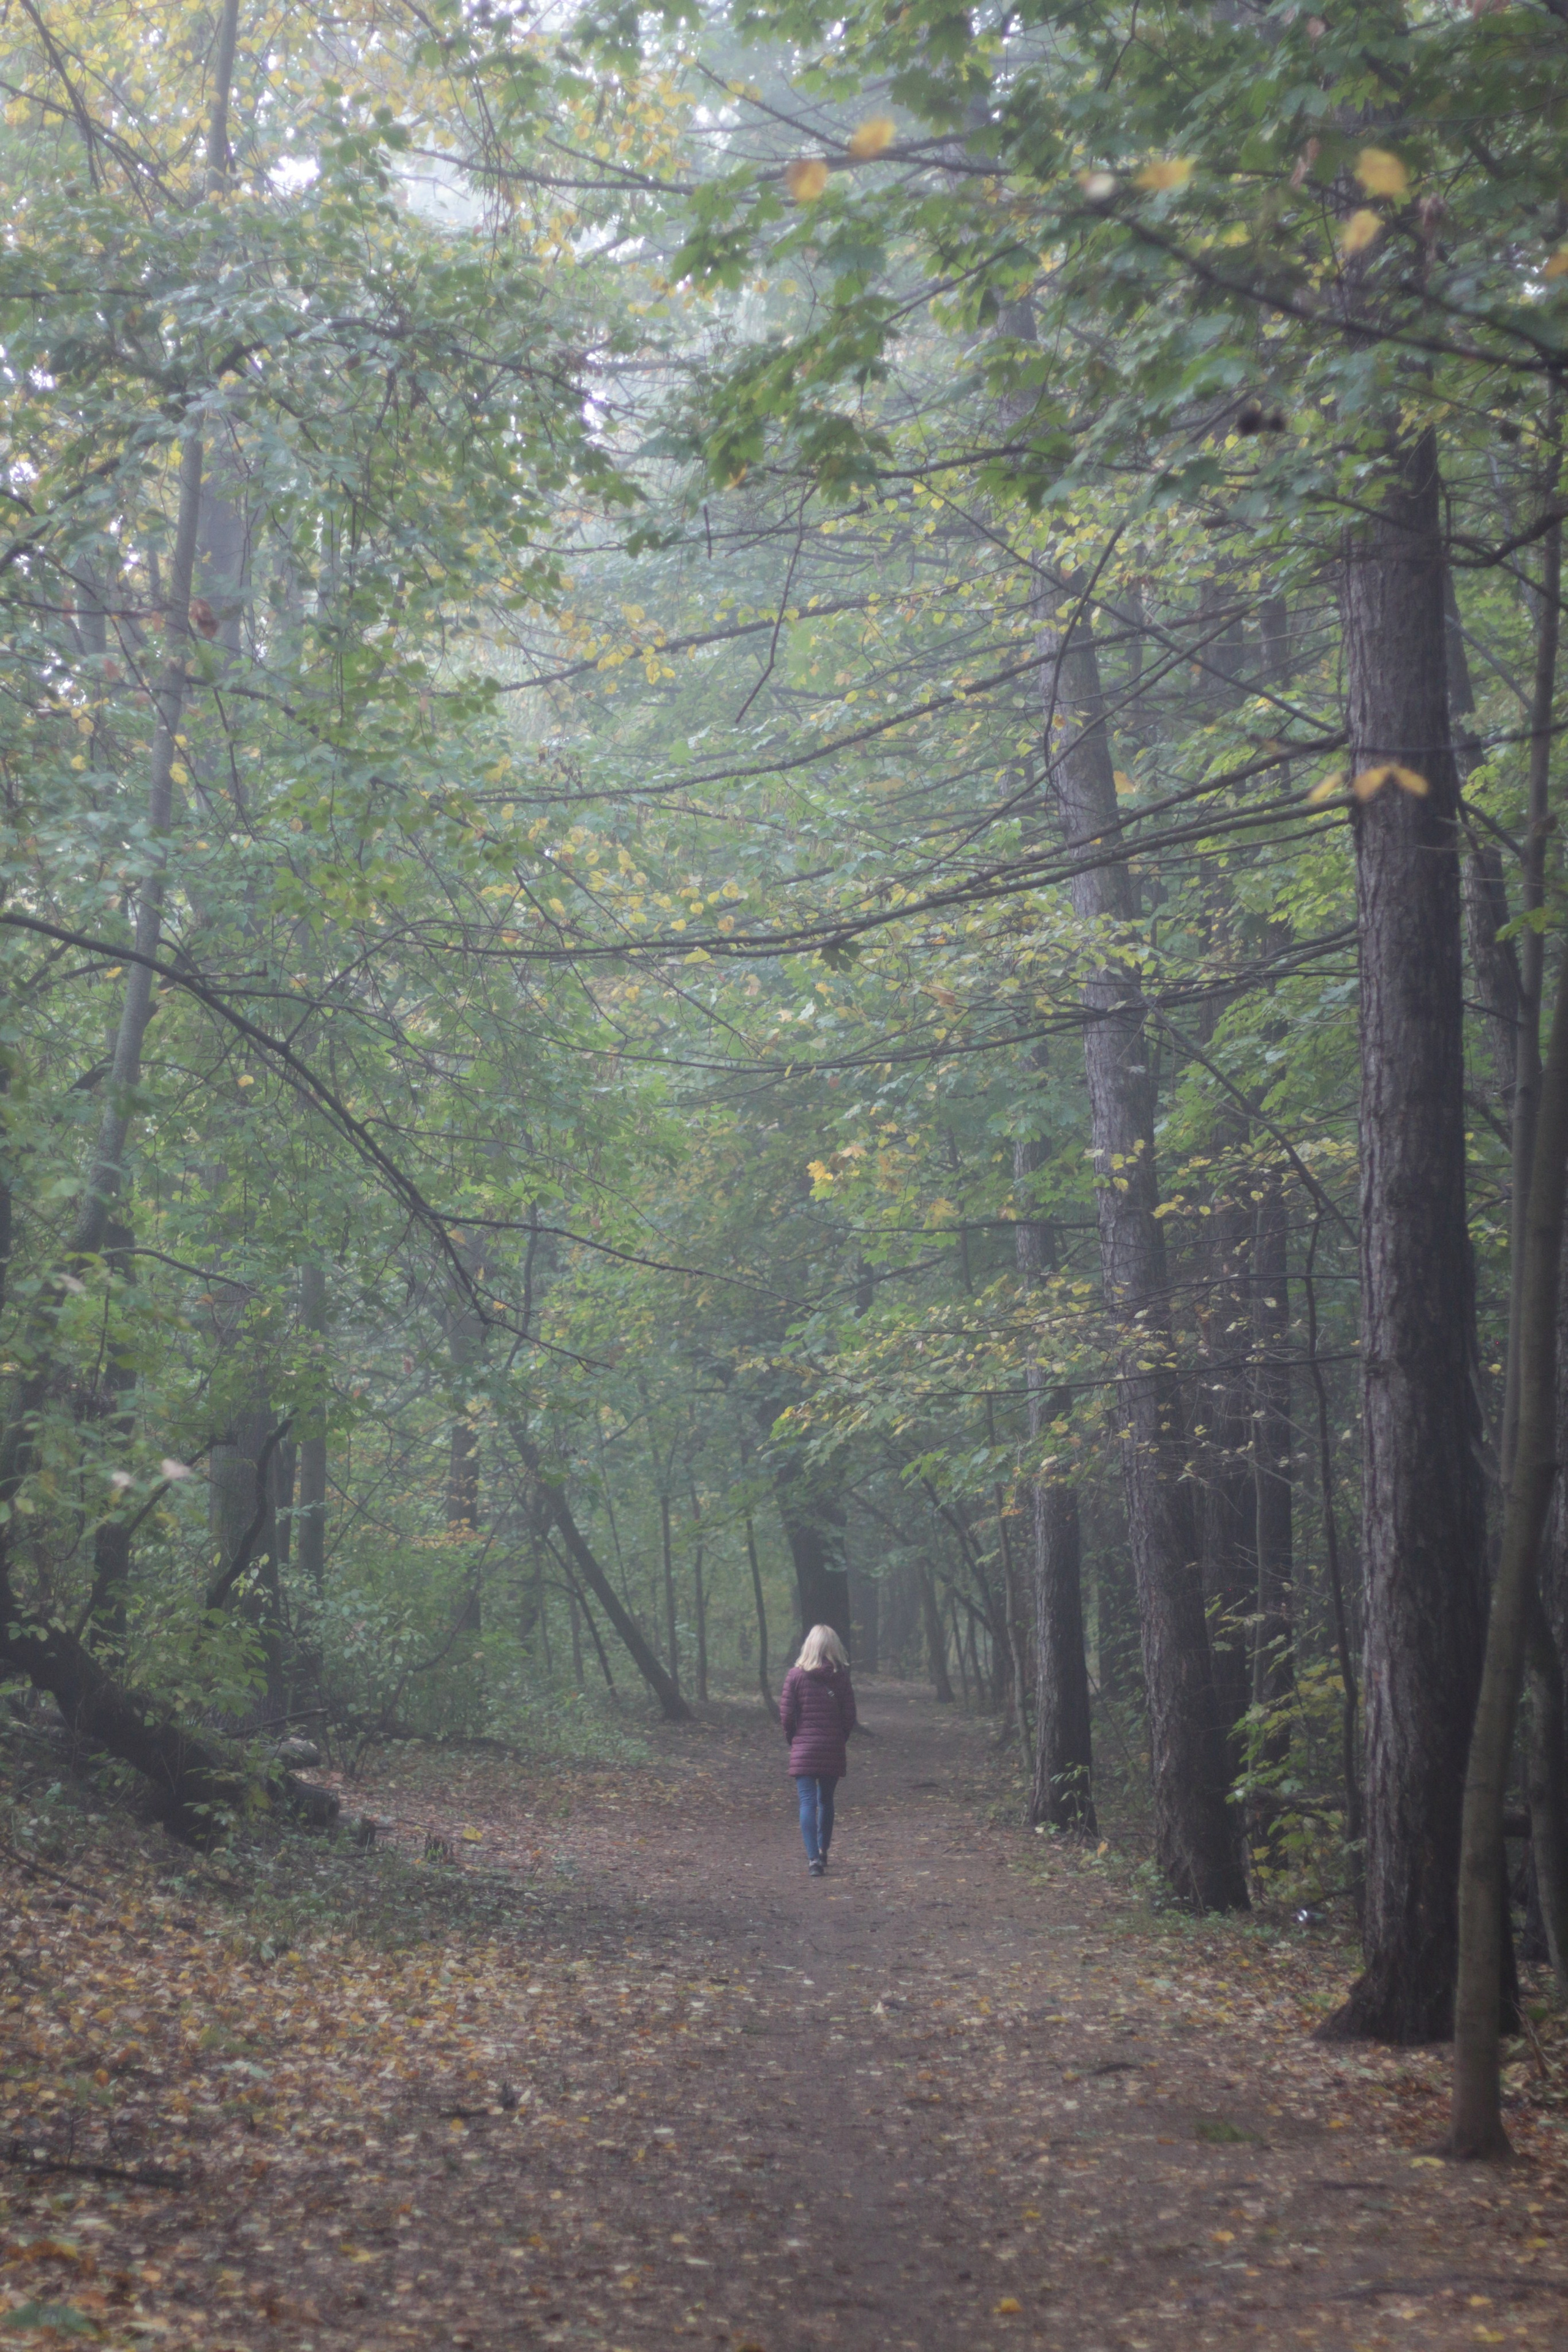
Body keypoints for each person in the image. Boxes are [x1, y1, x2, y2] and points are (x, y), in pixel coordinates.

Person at [779, 1623, 857, 1877]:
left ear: (809, 1646)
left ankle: (813, 1860)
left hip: (804, 1747)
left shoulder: (795, 1676)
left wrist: (794, 1739)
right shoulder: (842, 1676)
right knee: (826, 1801)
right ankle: (824, 1851)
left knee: (807, 1802)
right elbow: (849, 1716)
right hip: (832, 1746)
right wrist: (839, 1739)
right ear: (834, 1647)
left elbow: (787, 1716)